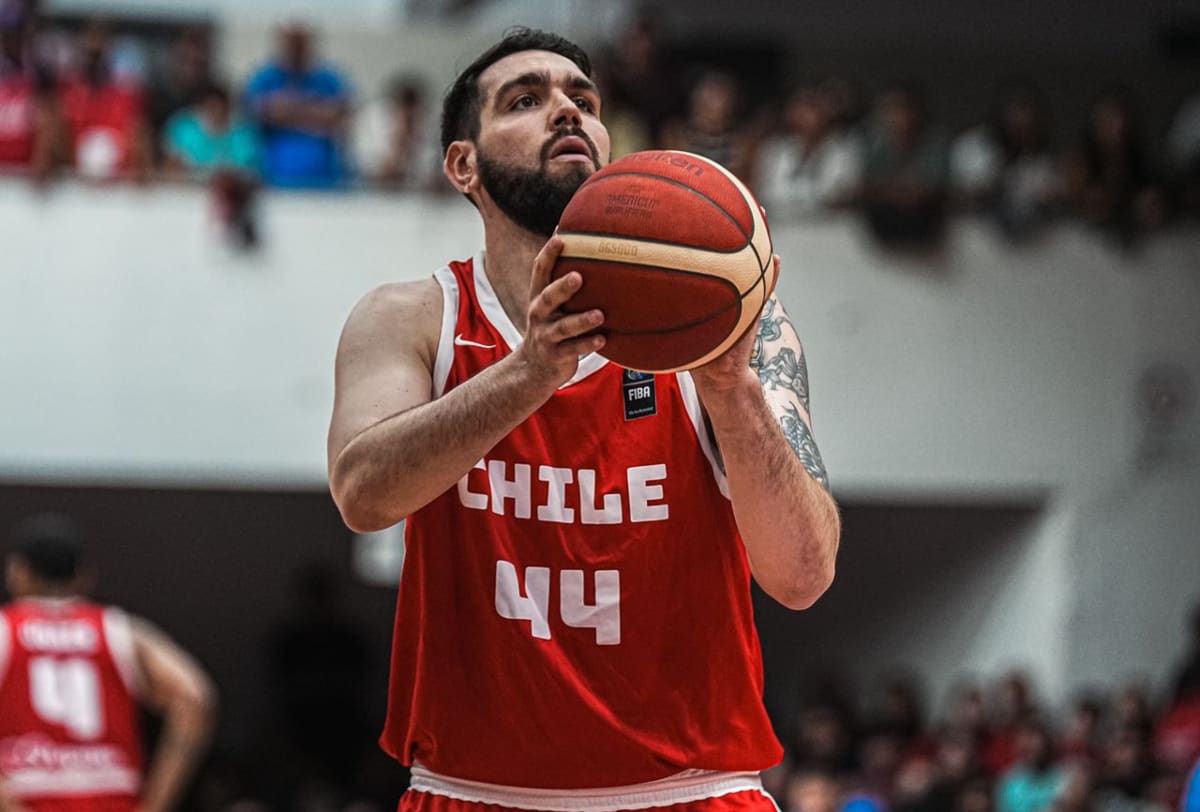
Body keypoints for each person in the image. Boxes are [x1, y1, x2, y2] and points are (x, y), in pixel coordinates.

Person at [326, 26, 840, 811]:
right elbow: (363, 493)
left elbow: (803, 576)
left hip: (697, 792)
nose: (566, 111)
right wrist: (529, 371)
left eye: (583, 100)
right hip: (470, 791)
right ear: (463, 164)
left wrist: (731, 388)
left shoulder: (735, 328)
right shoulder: (414, 317)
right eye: (526, 100)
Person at [0, 513, 217, 812]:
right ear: (83, 576)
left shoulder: (5, 630)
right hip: (112, 799)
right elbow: (195, 698)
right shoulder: (121, 630)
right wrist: (155, 804)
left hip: (31, 795)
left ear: (18, 572)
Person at [242, 21, 351, 188]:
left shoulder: (329, 79)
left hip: (325, 181)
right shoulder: (265, 78)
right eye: (291, 41)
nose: (295, 47)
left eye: (300, 41)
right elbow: (263, 113)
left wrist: (288, 112)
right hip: (275, 180)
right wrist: (316, 113)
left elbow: (340, 116)